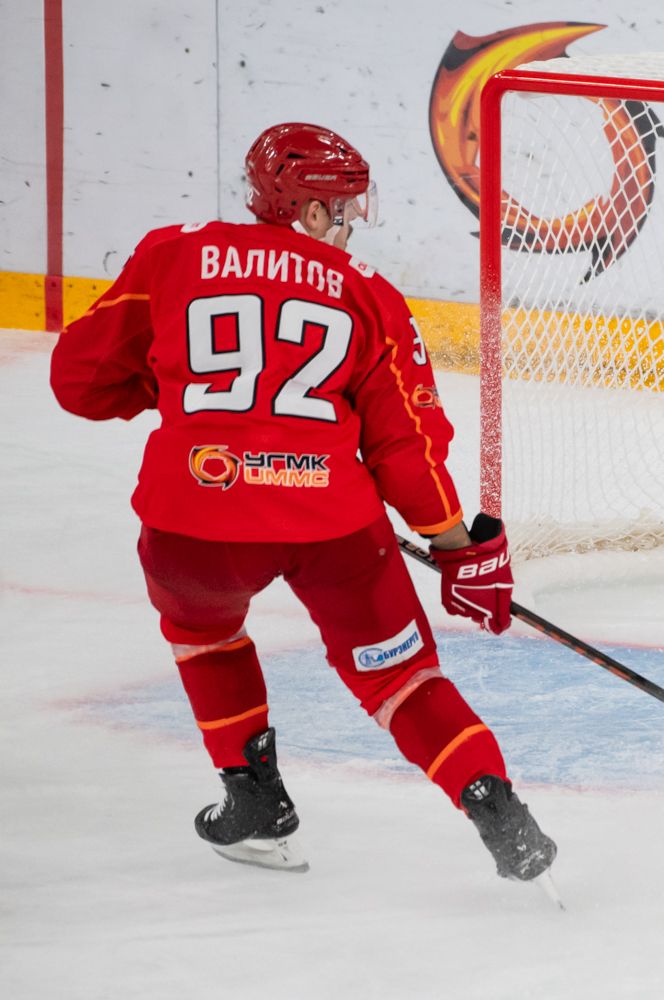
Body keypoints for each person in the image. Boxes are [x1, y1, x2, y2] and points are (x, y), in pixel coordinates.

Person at [49, 122, 555, 881]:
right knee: (400, 677)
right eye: (345, 209)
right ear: (312, 211)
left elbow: (78, 380)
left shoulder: (171, 255)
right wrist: (458, 549)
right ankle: (490, 800)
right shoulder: (368, 292)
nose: (351, 224)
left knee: (204, 634)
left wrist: (184, 393)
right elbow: (406, 448)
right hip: (333, 527)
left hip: (193, 520)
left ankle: (253, 797)